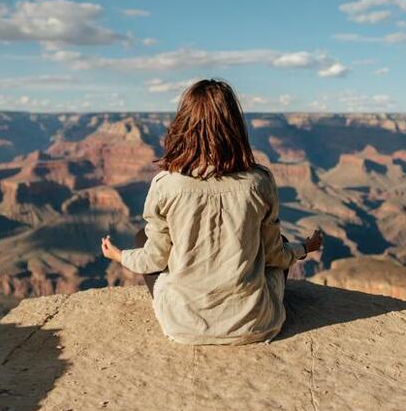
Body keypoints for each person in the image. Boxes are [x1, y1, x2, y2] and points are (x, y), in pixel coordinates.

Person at [101, 78, 323, 345]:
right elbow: (275, 255)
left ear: (183, 125)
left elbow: (155, 260)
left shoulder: (166, 184)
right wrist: (303, 248)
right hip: (255, 324)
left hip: (183, 326)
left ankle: (189, 308)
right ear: (235, 127)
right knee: (282, 242)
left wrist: (119, 256)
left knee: (142, 238)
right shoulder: (259, 181)